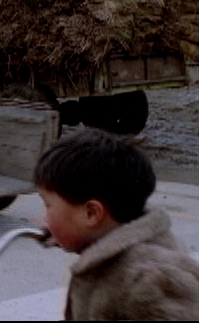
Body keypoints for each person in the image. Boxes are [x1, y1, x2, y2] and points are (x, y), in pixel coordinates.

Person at [33, 127, 199, 321]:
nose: (41, 217)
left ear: (91, 213)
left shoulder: (146, 281)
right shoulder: (108, 244)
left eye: (48, 205)